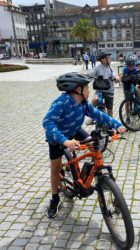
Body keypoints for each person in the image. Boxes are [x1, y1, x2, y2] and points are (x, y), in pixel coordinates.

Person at [43, 72, 126, 218]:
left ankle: (95, 175)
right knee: (55, 168)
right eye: (86, 87)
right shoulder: (61, 102)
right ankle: (55, 198)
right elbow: (47, 122)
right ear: (78, 90)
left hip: (74, 130)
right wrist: (65, 141)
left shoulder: (83, 103)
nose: (89, 90)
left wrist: (116, 124)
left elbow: (98, 114)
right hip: (57, 138)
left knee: (93, 145)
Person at [86, 51, 120, 118]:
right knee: (94, 100)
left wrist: (117, 78)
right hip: (100, 90)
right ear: (102, 59)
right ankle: (92, 116)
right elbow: (92, 73)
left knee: (110, 109)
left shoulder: (110, 69)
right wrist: (87, 75)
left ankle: (110, 126)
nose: (109, 59)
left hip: (109, 91)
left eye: (109, 57)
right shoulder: (98, 68)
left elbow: (115, 76)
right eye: (107, 58)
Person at [122, 57, 140, 124]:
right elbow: (123, 78)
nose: (131, 67)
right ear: (127, 66)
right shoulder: (125, 70)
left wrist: (138, 77)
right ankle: (127, 117)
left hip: (133, 84)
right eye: (129, 66)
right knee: (127, 103)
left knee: (136, 88)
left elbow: (138, 77)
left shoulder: (136, 69)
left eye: (132, 65)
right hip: (126, 86)